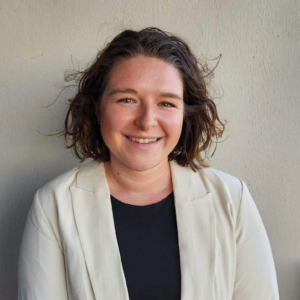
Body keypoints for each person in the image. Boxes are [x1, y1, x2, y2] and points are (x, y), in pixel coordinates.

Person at [18, 27, 280, 300]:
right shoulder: (53, 206)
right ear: (98, 108)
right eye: (127, 100)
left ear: (184, 115)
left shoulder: (232, 200)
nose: (146, 121)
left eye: (166, 103)